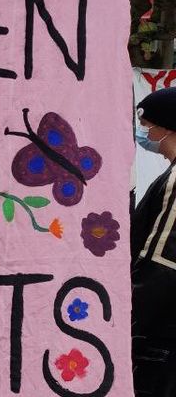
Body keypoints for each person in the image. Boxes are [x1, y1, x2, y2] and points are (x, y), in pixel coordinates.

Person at [132, 87, 176, 396]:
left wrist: (130, 317)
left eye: (147, 125)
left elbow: (161, 262)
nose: (143, 131)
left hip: (161, 334)